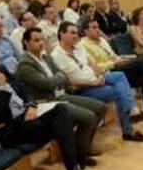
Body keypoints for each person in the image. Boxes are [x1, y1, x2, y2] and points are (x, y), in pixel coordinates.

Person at [0, 42, 96, 170]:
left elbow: (24, 92)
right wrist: (1, 89)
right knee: (62, 122)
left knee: (62, 110)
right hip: (9, 129)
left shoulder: (0, 70)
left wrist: (31, 106)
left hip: (29, 115)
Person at [15, 27, 106, 162]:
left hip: (60, 96)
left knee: (101, 107)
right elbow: (47, 84)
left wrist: (57, 78)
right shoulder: (25, 65)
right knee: (89, 117)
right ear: (26, 42)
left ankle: (82, 146)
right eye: (36, 40)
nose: (41, 43)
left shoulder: (45, 57)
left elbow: (63, 75)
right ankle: (80, 153)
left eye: (42, 40)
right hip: (45, 104)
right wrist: (58, 78)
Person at [53, 22, 143, 142]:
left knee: (119, 75)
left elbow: (91, 64)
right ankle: (128, 129)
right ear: (61, 34)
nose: (75, 36)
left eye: (76, 33)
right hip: (82, 88)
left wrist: (99, 75)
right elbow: (68, 81)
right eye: (72, 33)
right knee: (118, 91)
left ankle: (131, 110)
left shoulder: (78, 47)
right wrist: (92, 83)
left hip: (95, 79)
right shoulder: (56, 55)